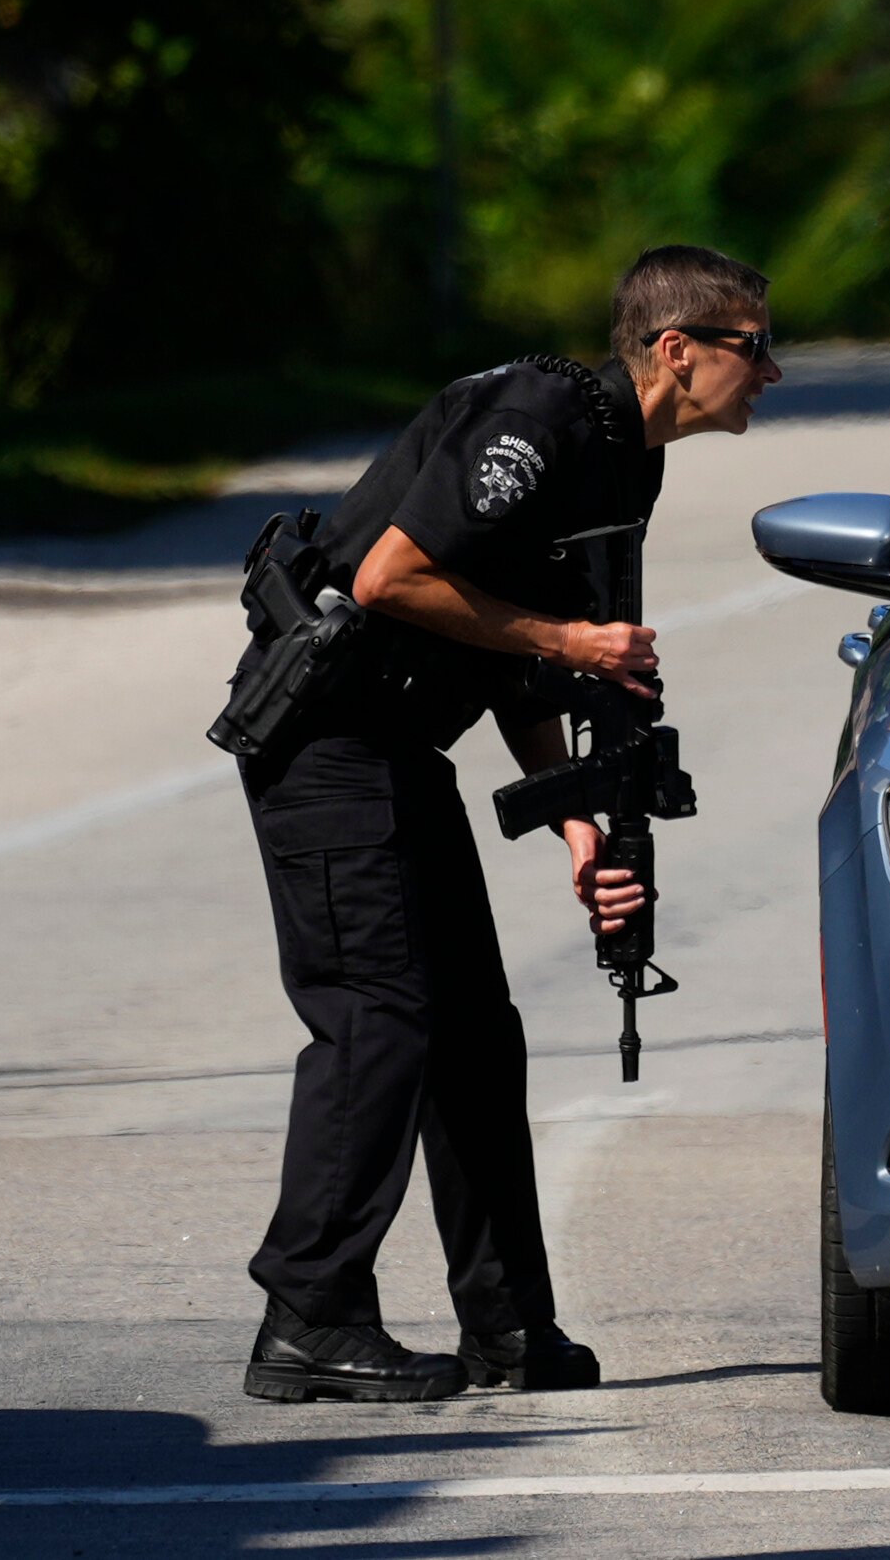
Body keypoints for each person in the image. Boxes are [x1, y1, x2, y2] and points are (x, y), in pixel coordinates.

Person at [233, 246, 780, 1402]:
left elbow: (513, 652)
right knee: (380, 1017)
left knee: (475, 1035)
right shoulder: (539, 420)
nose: (770, 371)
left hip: (399, 746)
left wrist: (582, 827)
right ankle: (309, 1315)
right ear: (676, 351)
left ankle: (509, 1330)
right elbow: (393, 580)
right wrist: (576, 643)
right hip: (329, 740)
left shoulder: (626, 459)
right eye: (751, 346)